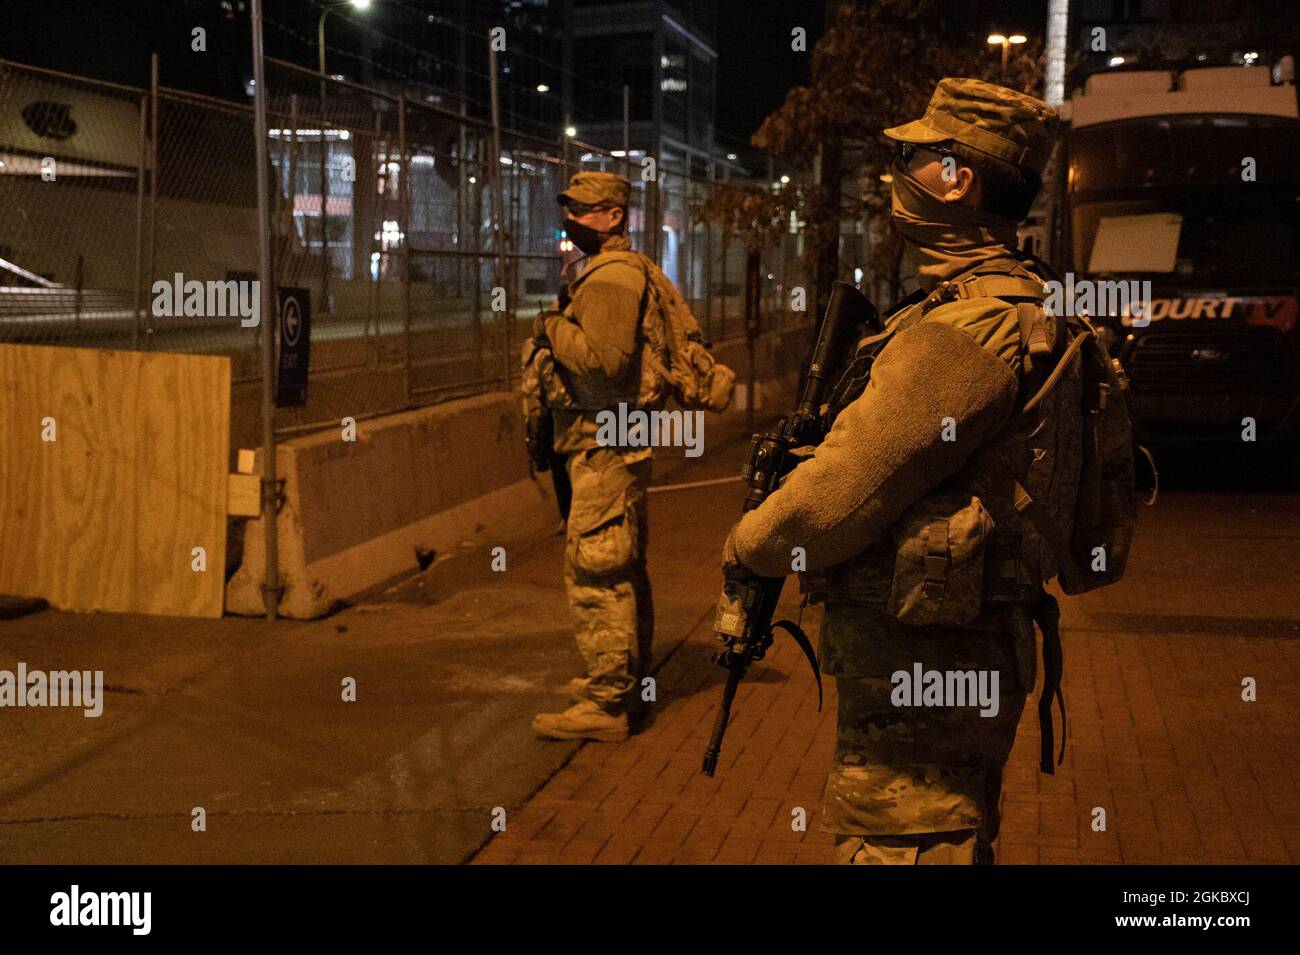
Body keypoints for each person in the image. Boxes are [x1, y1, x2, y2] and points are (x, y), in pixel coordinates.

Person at [722, 77, 1070, 863]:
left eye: (913, 158)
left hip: (928, 679)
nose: (893, 176)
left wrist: (749, 544)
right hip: (950, 665)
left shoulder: (967, 328)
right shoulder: (1008, 299)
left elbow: (840, 496)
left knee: (905, 843)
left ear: (959, 177)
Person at [529, 171, 657, 743]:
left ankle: (608, 705)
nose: (572, 220)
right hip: (613, 441)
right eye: (570, 210)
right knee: (620, 564)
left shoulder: (610, 278)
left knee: (597, 570)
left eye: (585, 210)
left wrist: (551, 326)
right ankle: (623, 684)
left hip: (605, 445)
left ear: (614, 217)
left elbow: (605, 362)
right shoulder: (613, 271)